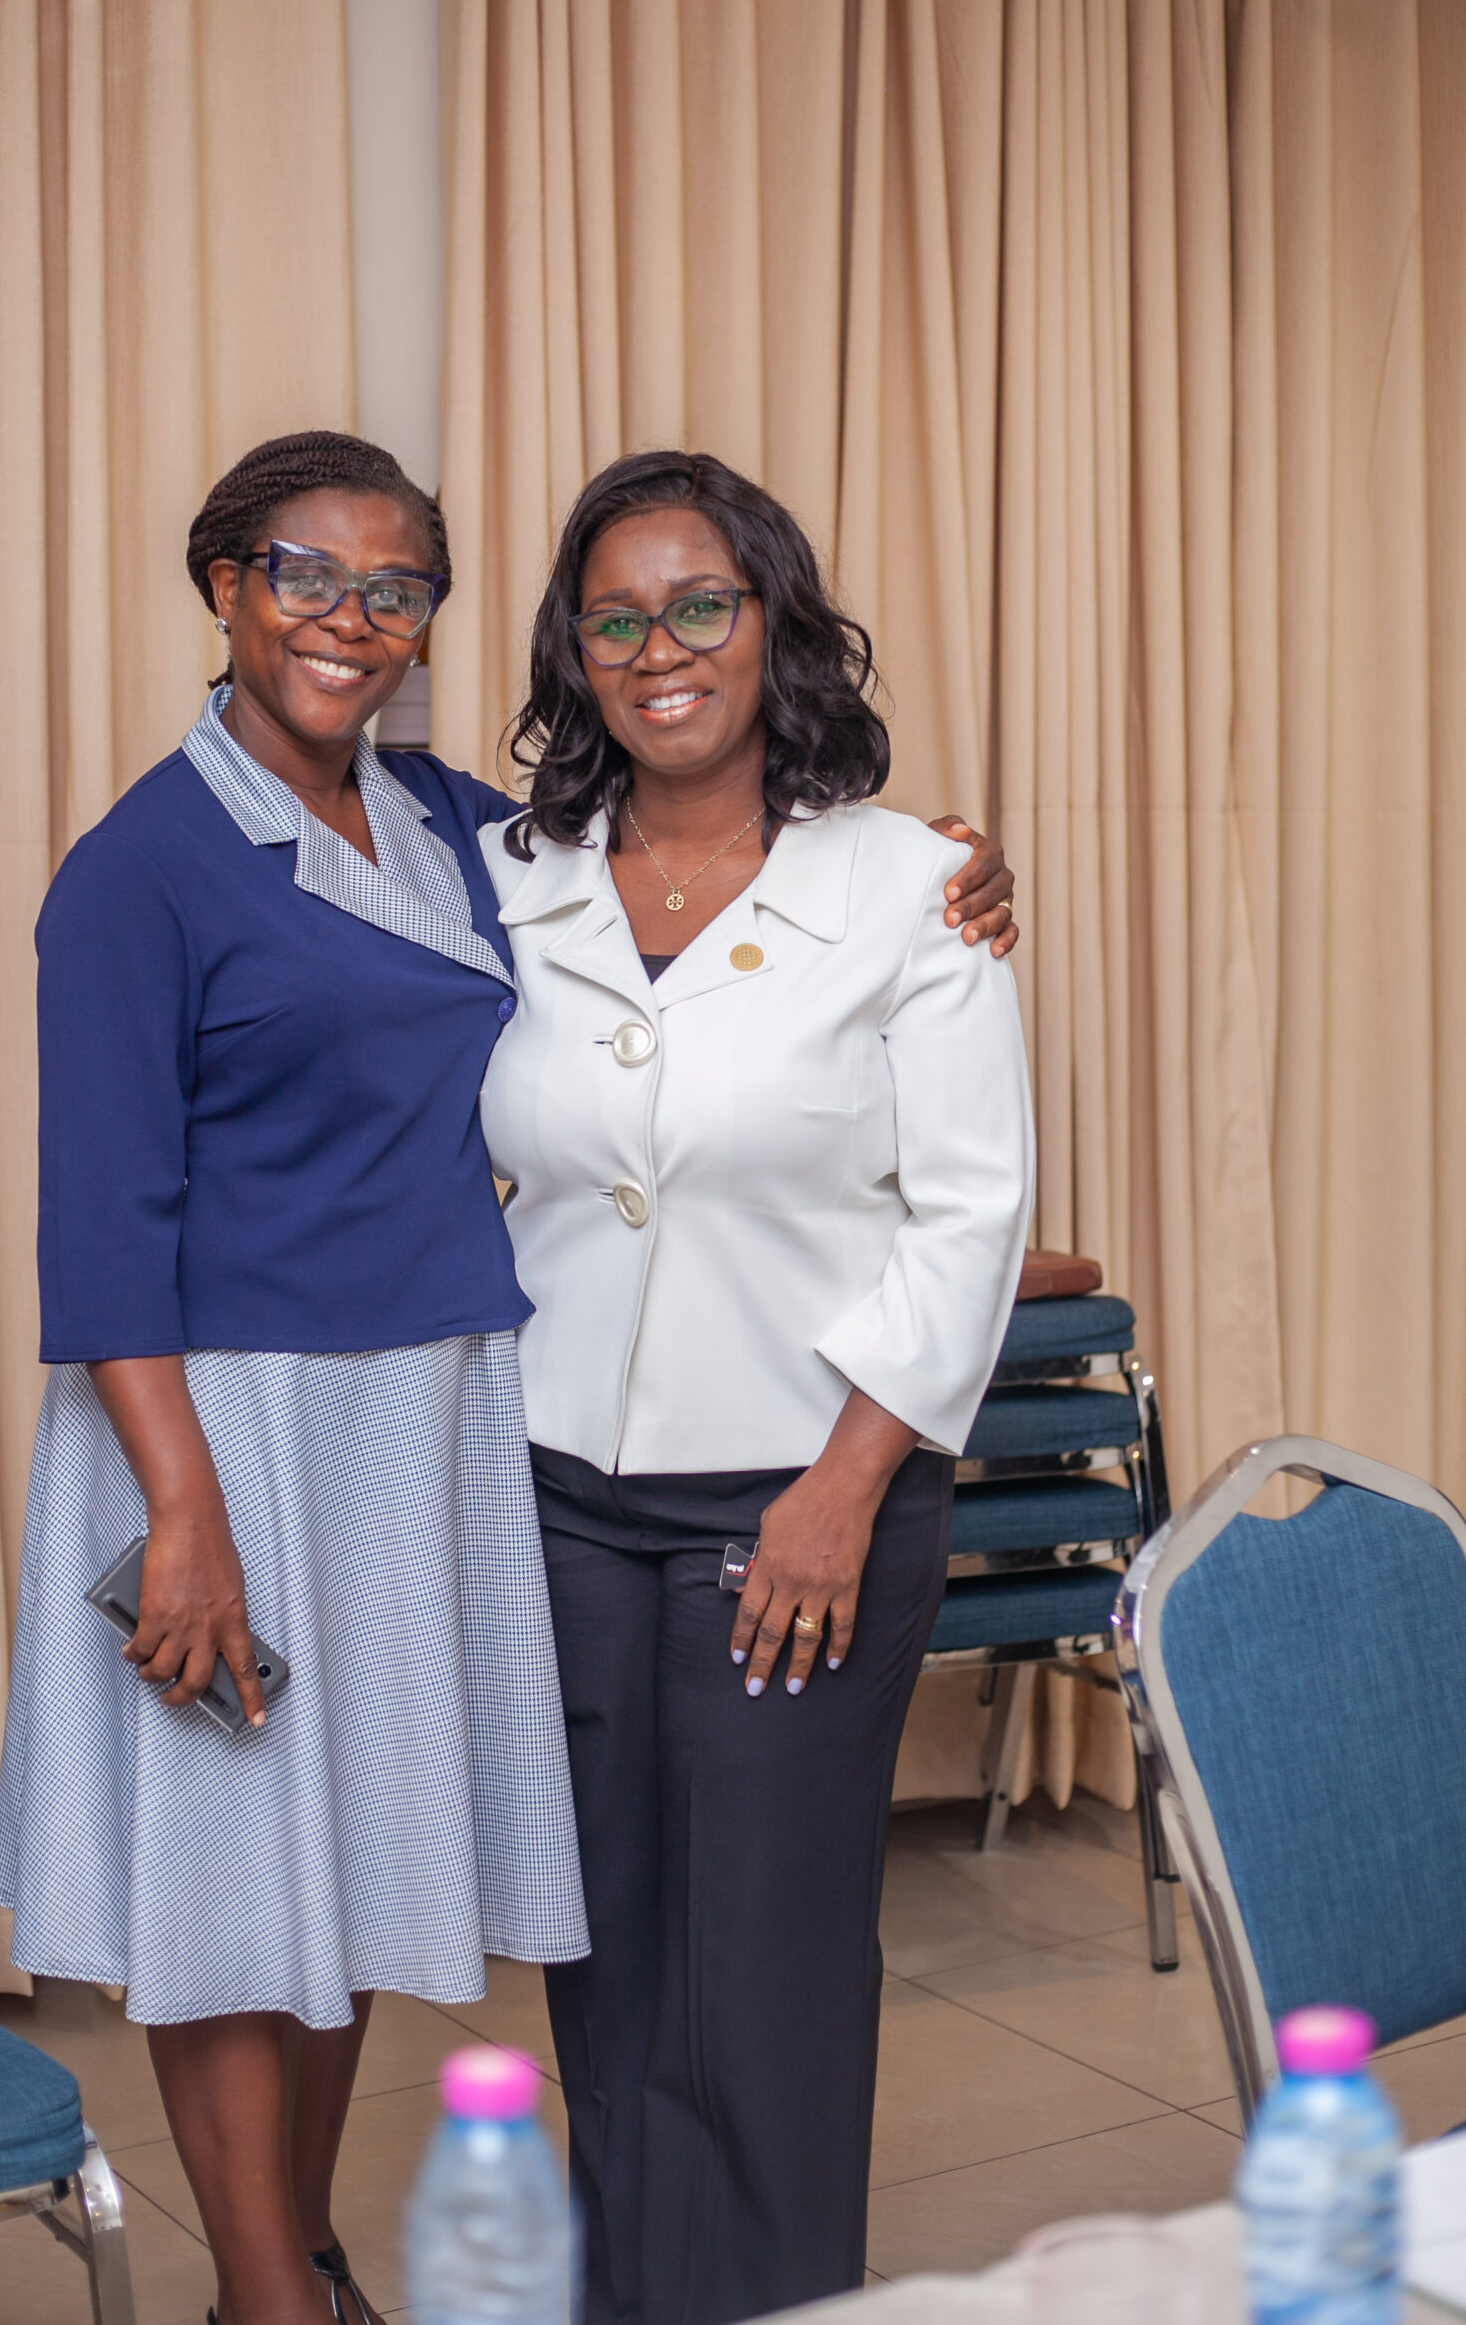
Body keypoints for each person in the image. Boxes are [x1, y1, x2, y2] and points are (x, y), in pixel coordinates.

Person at [0, 432, 592, 2325]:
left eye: (394, 588)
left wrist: (923, 871)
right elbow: (101, 1225)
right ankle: (265, 2296)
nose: (350, 617)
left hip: (413, 1416)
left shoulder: (446, 824)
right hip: (217, 1422)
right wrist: (184, 1512)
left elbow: (682, 858)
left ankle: (303, 2260)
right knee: (235, 1877)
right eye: (305, 574)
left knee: (343, 1857)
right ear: (226, 587)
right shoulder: (142, 869)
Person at [477, 449, 1035, 2325]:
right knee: (607, 1961)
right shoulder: (507, 876)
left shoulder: (914, 886)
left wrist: (844, 1487)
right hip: (561, 1495)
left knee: (765, 1971)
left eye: (699, 605)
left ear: (772, 616)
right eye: (616, 619)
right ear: (574, 651)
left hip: (802, 1500)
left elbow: (969, 1212)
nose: (661, 650)